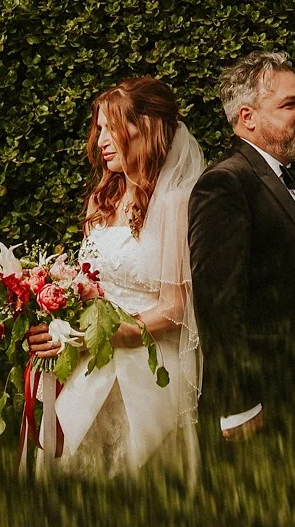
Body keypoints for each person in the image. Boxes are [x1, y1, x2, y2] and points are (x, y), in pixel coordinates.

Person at [24, 77, 206, 479]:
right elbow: (90, 283)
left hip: (147, 360)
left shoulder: (177, 202)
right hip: (90, 355)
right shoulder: (101, 199)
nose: (101, 139)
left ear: (149, 128)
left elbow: (177, 307)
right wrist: (59, 311)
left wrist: (120, 334)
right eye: (100, 128)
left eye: (112, 128)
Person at [189, 51, 295, 438]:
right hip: (266, 403)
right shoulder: (226, 184)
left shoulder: (293, 180)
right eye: (289, 104)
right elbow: (218, 304)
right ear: (248, 117)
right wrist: (239, 404)